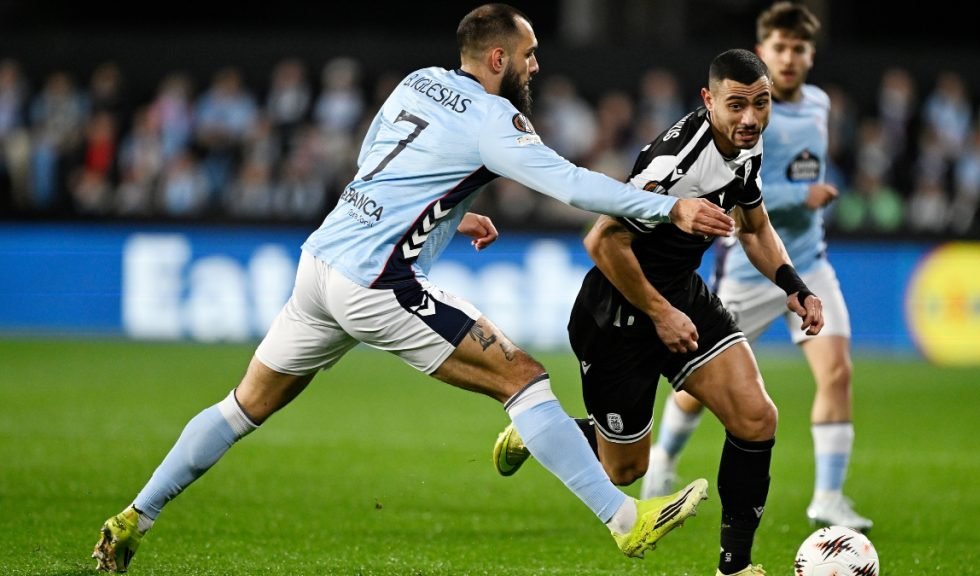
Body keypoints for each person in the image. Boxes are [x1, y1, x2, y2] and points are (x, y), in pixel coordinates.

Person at [89, 4, 735, 572]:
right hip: (376, 281)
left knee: (242, 406)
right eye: (530, 54)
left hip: (320, 265)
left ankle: (134, 517)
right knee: (524, 379)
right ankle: (625, 521)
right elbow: (571, 184)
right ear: (498, 58)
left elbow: (375, 161)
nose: (536, 66)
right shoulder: (495, 119)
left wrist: (451, 215)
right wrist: (669, 208)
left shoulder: (418, 81)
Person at [493, 48, 824, 576]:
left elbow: (755, 226)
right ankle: (545, 432)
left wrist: (794, 286)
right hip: (618, 315)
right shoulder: (674, 165)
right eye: (737, 105)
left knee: (757, 418)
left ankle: (735, 567)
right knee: (625, 469)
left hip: (682, 294)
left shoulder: (747, 143)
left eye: (761, 104)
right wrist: (660, 313)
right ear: (708, 100)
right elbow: (602, 241)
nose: (750, 118)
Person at [640, 1, 873, 534]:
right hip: (747, 272)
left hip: (807, 262)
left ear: (811, 55)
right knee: (697, 389)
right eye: (779, 48)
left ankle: (828, 498)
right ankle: (662, 461)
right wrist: (801, 196)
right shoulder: (743, 115)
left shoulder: (819, 104)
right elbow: (742, 195)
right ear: (762, 52)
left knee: (837, 372)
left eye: (799, 48)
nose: (789, 58)